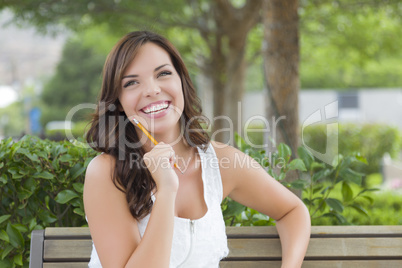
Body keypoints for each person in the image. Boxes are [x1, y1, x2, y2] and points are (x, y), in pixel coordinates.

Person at [84, 31, 311, 268]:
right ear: (118, 102)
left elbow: (292, 211)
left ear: (182, 81)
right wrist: (166, 190)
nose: (152, 90)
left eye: (163, 73)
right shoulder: (106, 173)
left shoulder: (221, 161)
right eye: (131, 82)